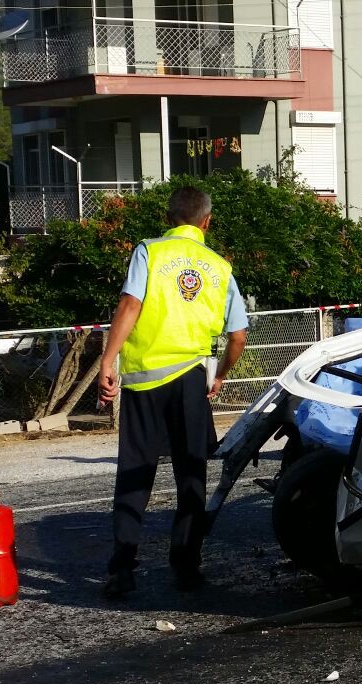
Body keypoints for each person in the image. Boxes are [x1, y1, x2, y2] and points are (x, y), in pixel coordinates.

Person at [97, 186, 249, 598]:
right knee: (191, 474)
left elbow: (130, 305)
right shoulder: (220, 267)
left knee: (135, 472)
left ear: (169, 218)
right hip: (191, 380)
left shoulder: (149, 251)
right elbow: (238, 337)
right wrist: (219, 375)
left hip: (145, 380)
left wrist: (108, 361)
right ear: (207, 221)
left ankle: (122, 570)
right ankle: (186, 567)